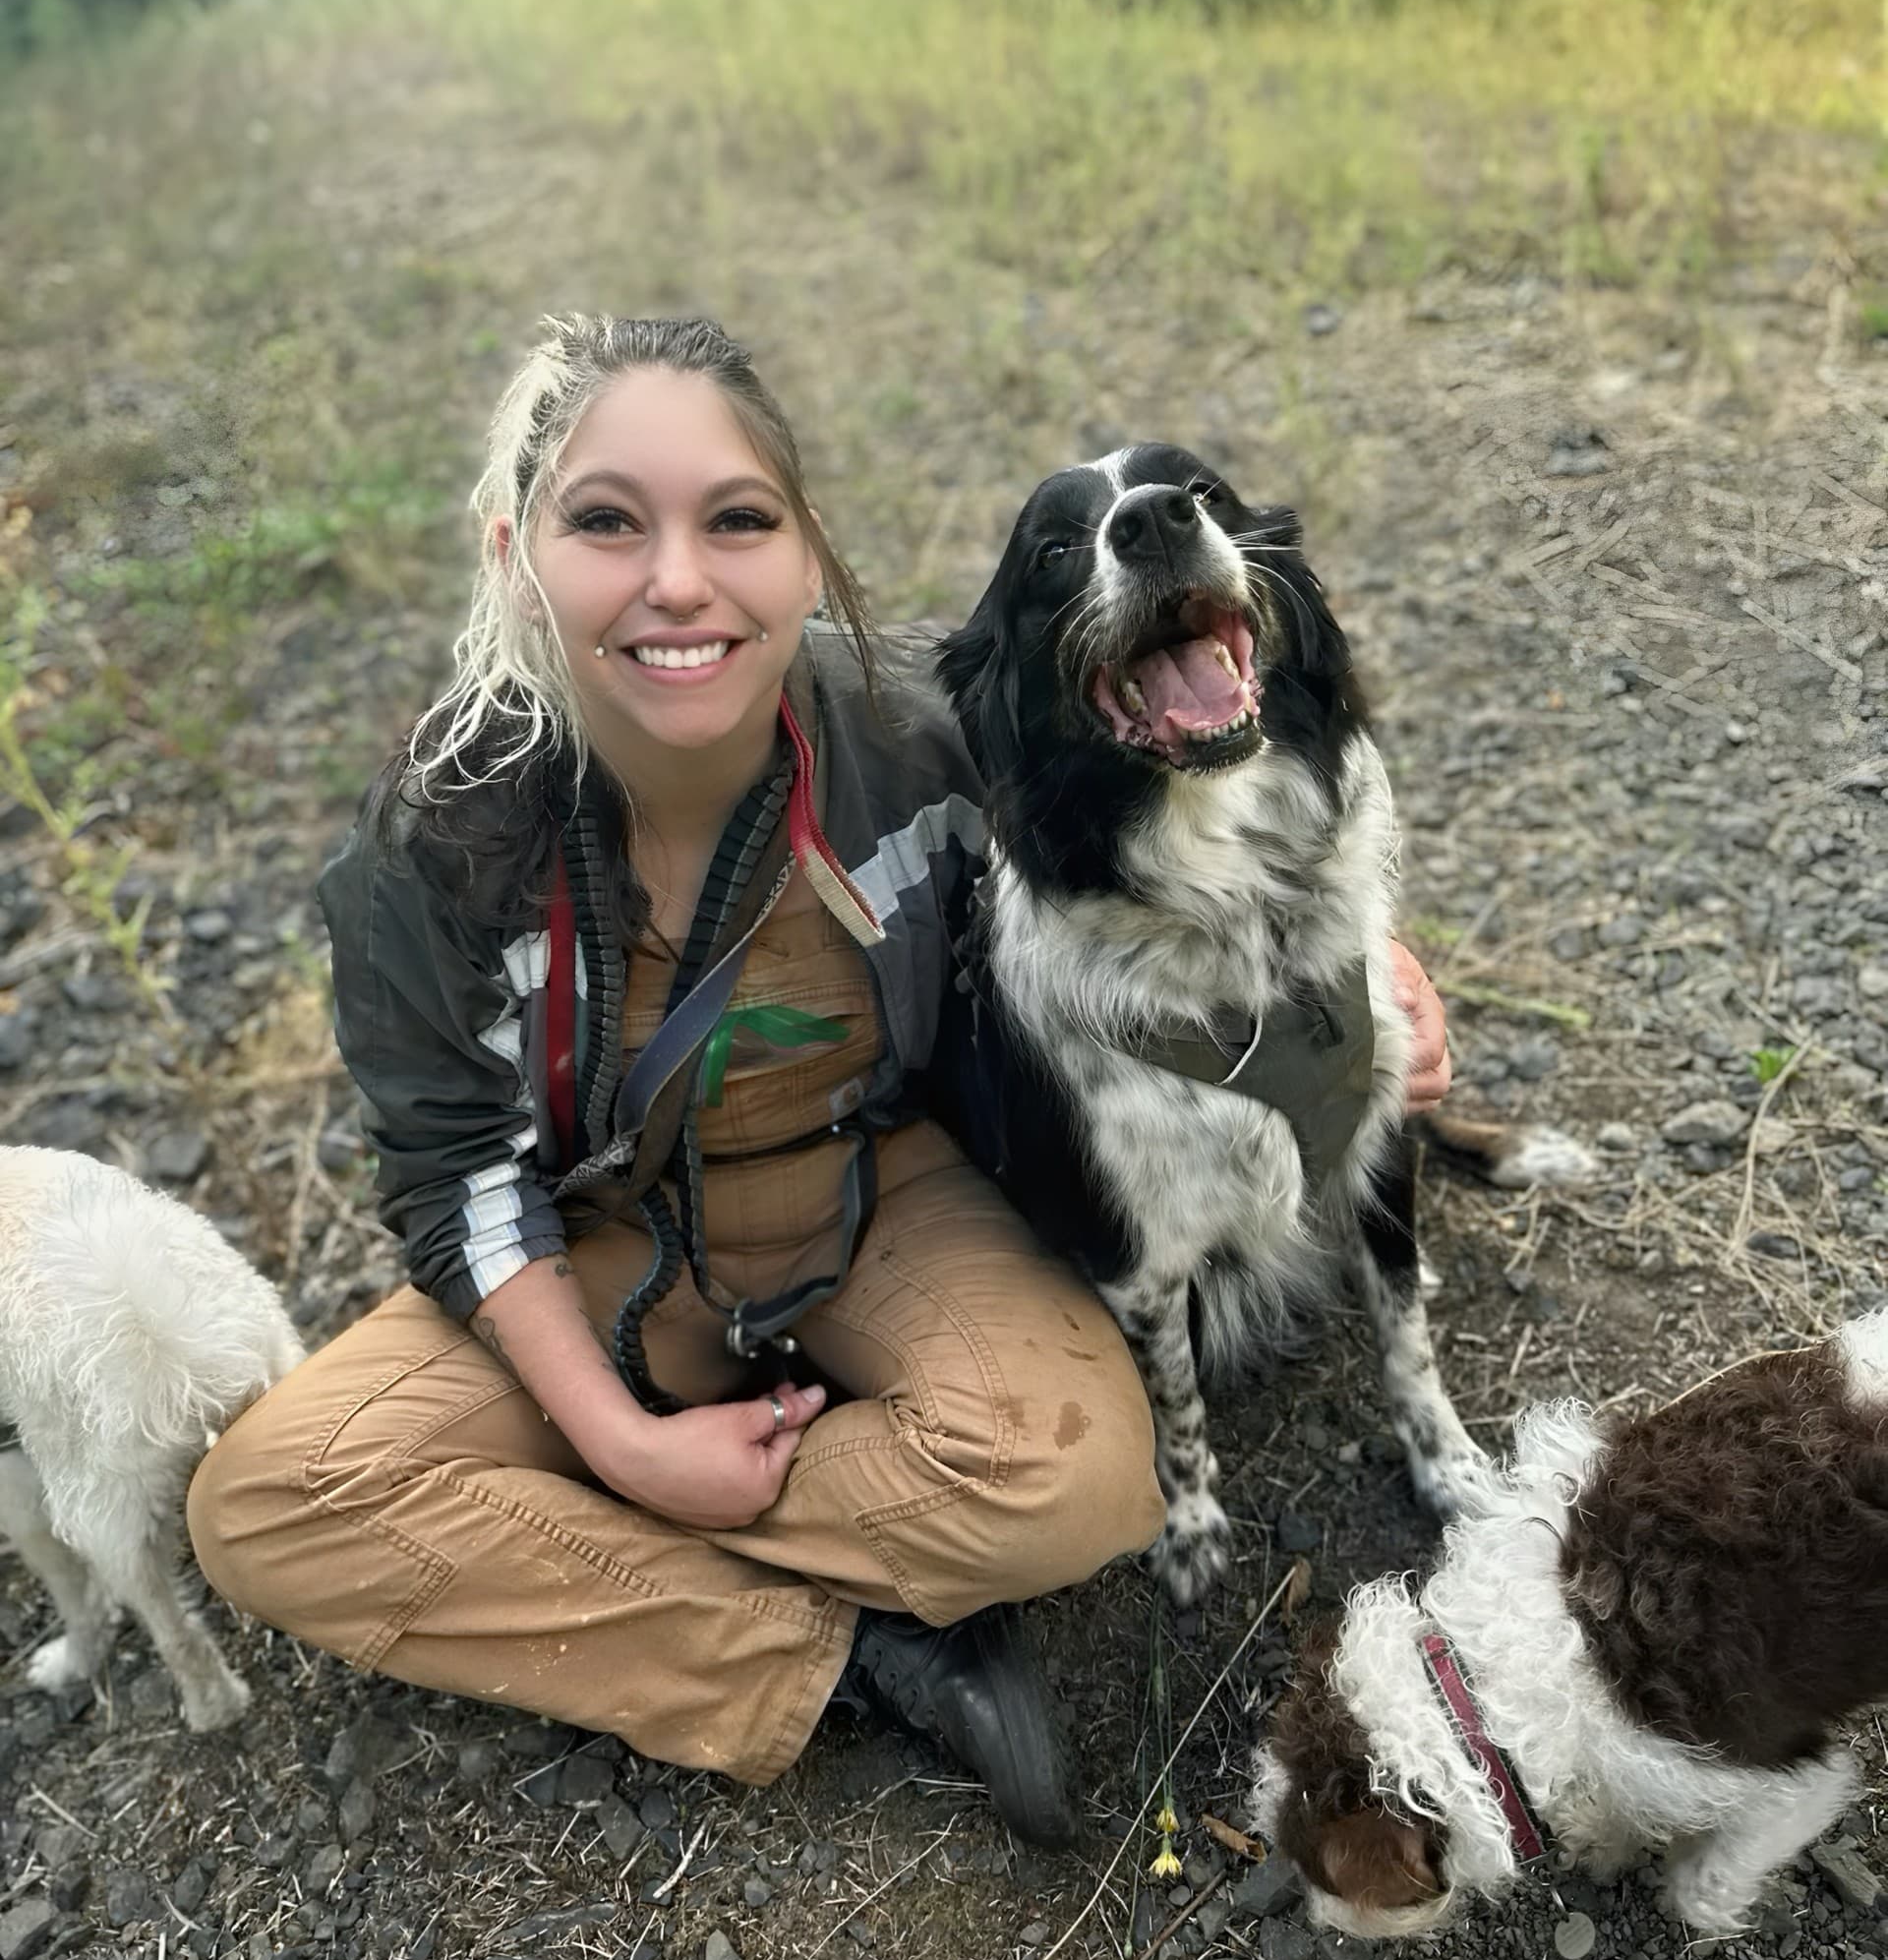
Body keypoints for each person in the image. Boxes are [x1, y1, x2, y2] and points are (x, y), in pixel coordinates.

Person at [187, 315, 1452, 1845]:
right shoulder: (427, 849)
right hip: (594, 1243)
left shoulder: (916, 729)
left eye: (737, 520)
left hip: (874, 1195)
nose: (678, 582)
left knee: (1091, 1481)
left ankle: (569, 1562)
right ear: (509, 548)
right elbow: (455, 1180)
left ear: (800, 551)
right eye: (605, 522)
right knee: (268, 1506)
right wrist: (622, 1441)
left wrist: (1373, 982)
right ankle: (863, 1649)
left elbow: (1203, 816)